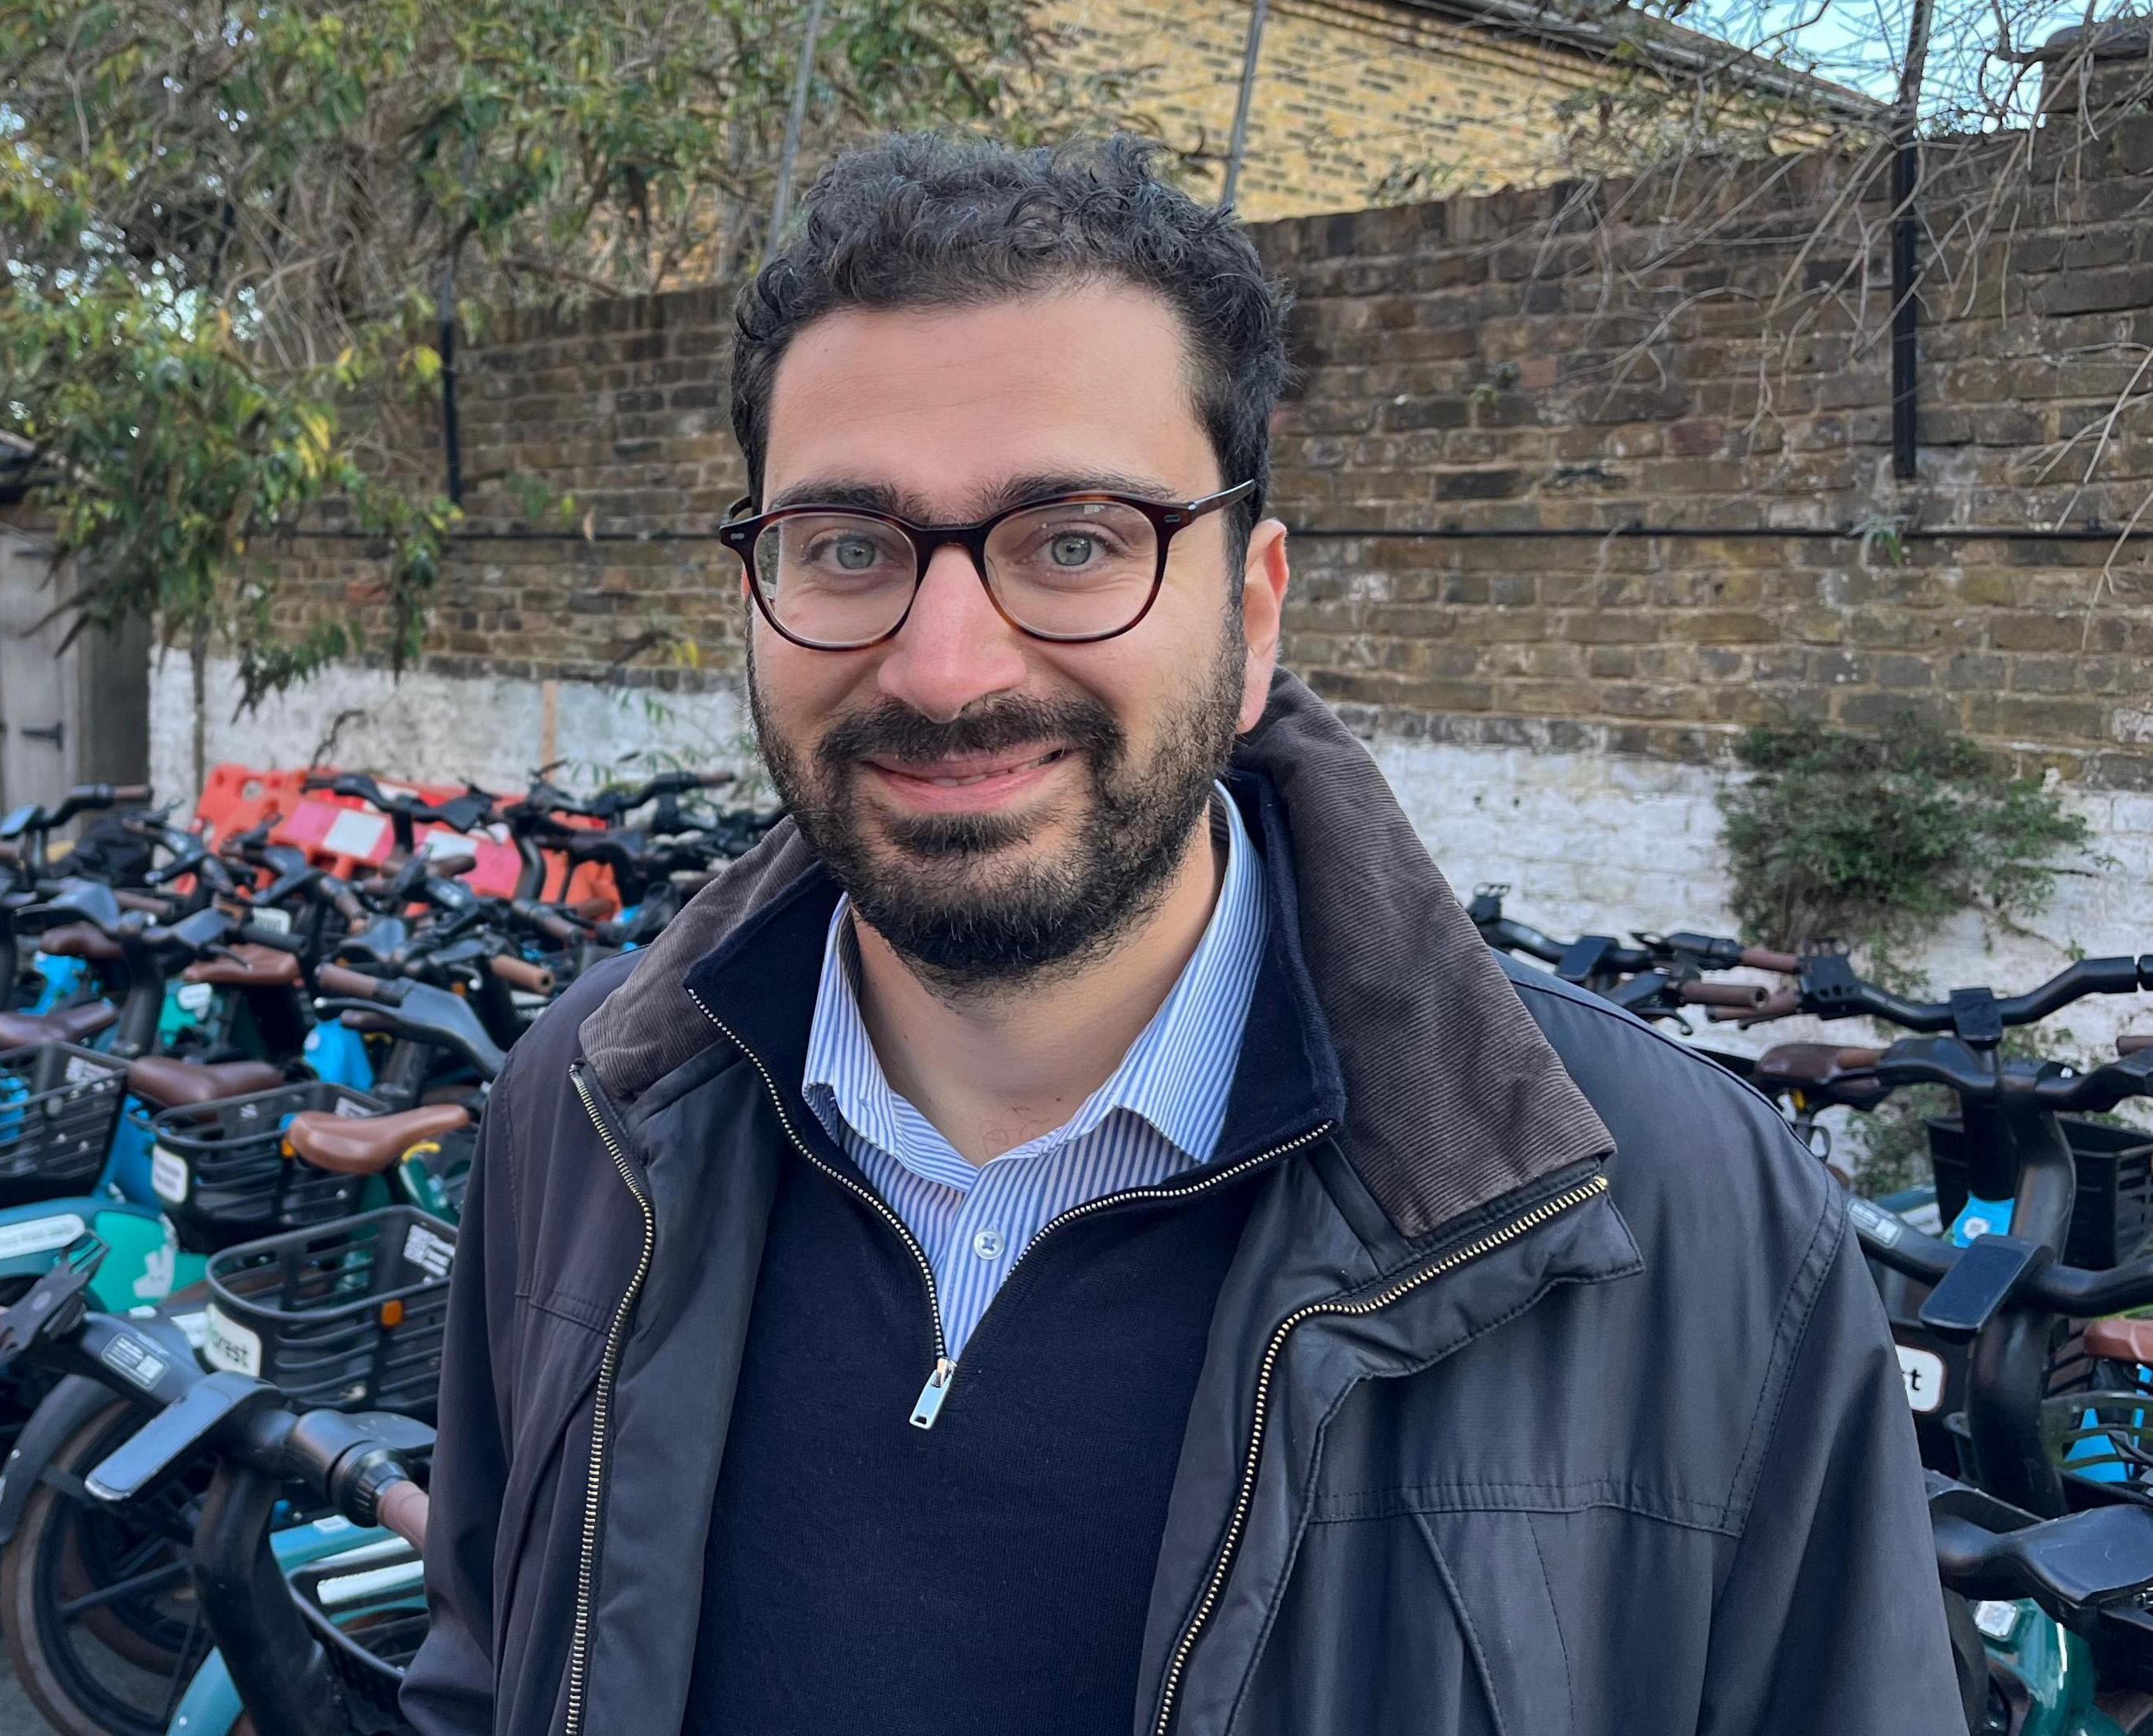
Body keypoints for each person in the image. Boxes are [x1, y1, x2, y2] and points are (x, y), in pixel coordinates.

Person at [399, 132, 1954, 1736]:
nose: (944, 668)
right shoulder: (583, 1117)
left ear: (1254, 608)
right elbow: (487, 1675)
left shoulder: (1689, 1230)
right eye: (849, 547)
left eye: (1074, 541)